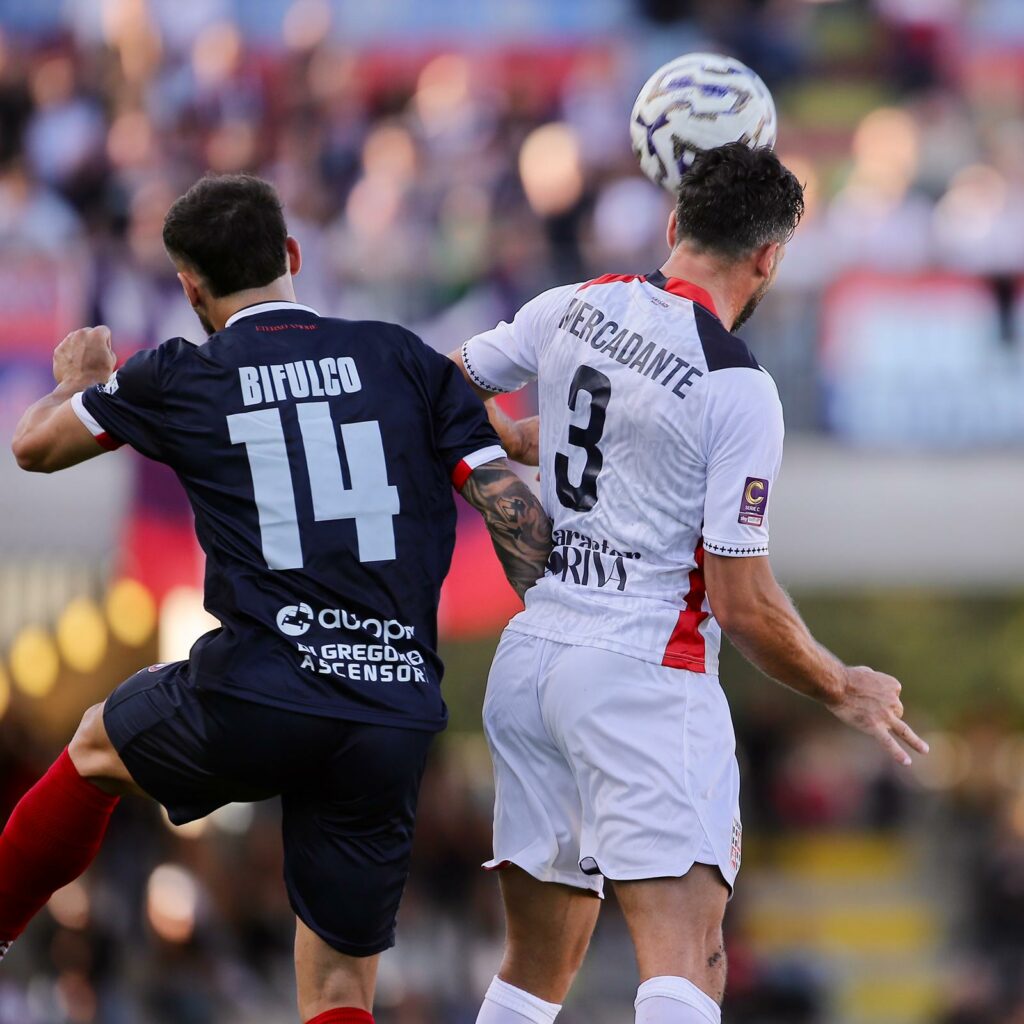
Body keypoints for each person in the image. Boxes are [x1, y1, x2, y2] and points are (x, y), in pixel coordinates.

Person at [5, 173, 552, 1024]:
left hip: (258, 689)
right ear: (291, 256)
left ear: (190, 288)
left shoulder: (180, 372)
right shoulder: (403, 357)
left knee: (92, 750)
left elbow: (34, 448)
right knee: (338, 989)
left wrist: (77, 381)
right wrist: (560, 630)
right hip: (391, 704)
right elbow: (511, 509)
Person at [450, 143, 929, 1024]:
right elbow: (741, 604)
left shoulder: (570, 305)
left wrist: (505, 467)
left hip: (532, 663)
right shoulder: (737, 384)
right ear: (769, 257)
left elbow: (445, 389)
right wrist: (842, 686)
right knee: (687, 957)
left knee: (533, 969)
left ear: (673, 227)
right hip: (643, 674)